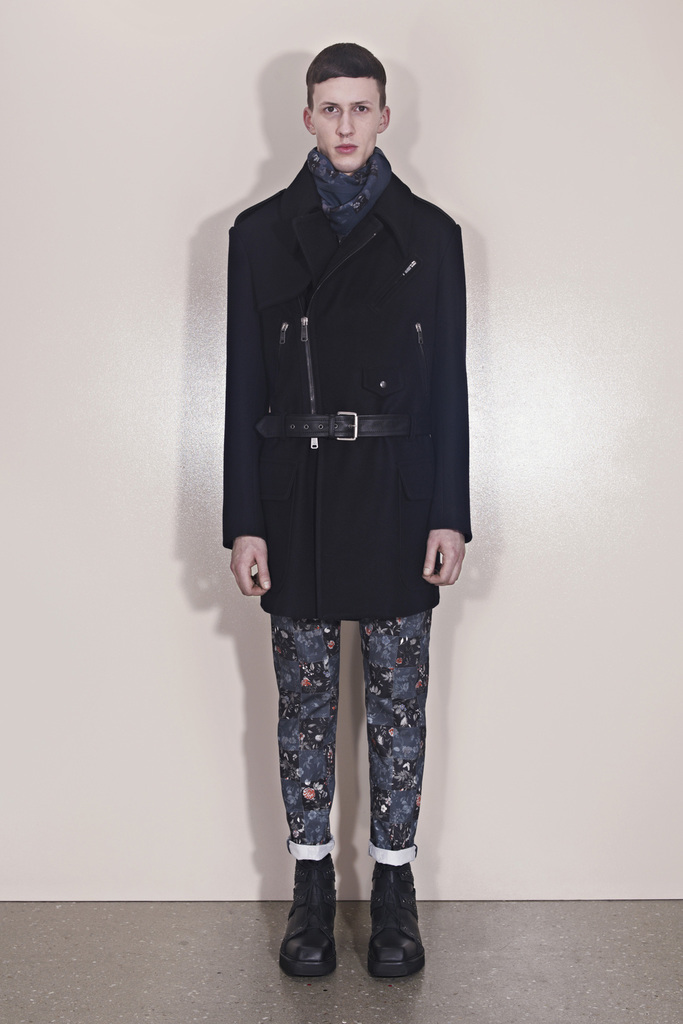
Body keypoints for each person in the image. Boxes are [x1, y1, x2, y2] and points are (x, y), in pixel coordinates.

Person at [223, 42, 471, 978]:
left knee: (399, 710)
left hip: (400, 496)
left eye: (360, 107)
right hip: (297, 501)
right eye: (329, 108)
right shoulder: (258, 234)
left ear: (384, 117)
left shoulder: (431, 235)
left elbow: (449, 388)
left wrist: (449, 512)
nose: (345, 125)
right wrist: (244, 521)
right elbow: (242, 388)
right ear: (305, 117)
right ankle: (312, 891)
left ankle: (396, 891)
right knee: (304, 709)